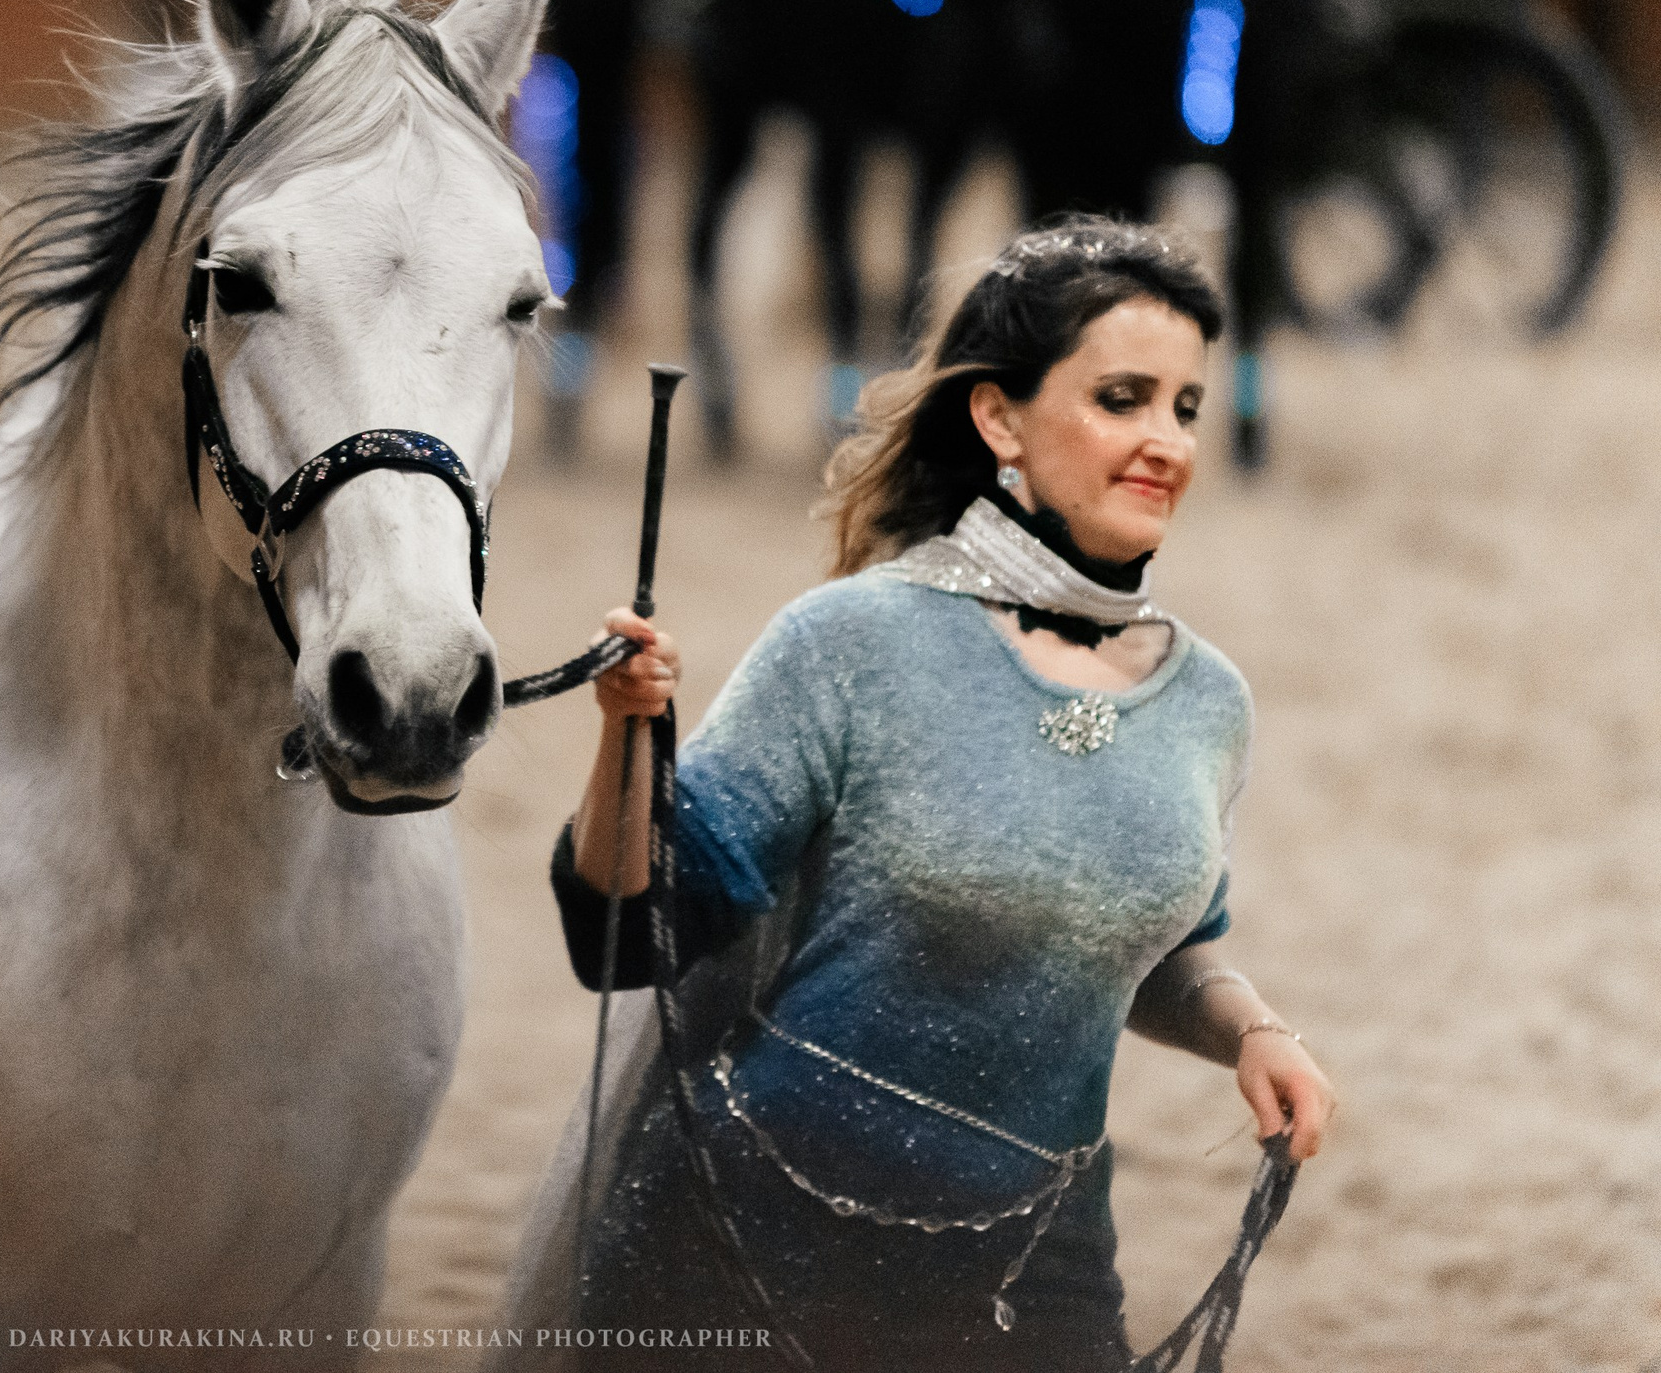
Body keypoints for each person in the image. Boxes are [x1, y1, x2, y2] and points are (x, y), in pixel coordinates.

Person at [505, 219, 1335, 1371]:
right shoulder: (851, 638)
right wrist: (627, 734)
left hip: (1031, 1270)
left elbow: (1159, 944)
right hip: (743, 1245)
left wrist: (1253, 1031)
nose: (1164, 443)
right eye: (1122, 398)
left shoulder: (1209, 703)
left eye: (1185, 407)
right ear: (998, 417)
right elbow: (630, 926)